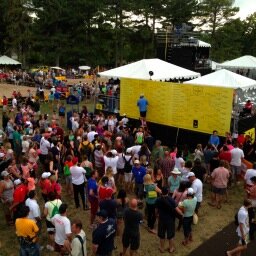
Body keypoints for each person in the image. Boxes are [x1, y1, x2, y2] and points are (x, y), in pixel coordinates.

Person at [155, 186, 183, 253]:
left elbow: (156, 209)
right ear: (168, 192)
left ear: (161, 192)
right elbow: (178, 210)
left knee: (162, 235)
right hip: (170, 220)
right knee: (170, 235)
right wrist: (182, 214)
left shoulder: (158, 200)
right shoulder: (171, 200)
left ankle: (162, 248)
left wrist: (156, 215)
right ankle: (171, 248)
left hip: (161, 219)